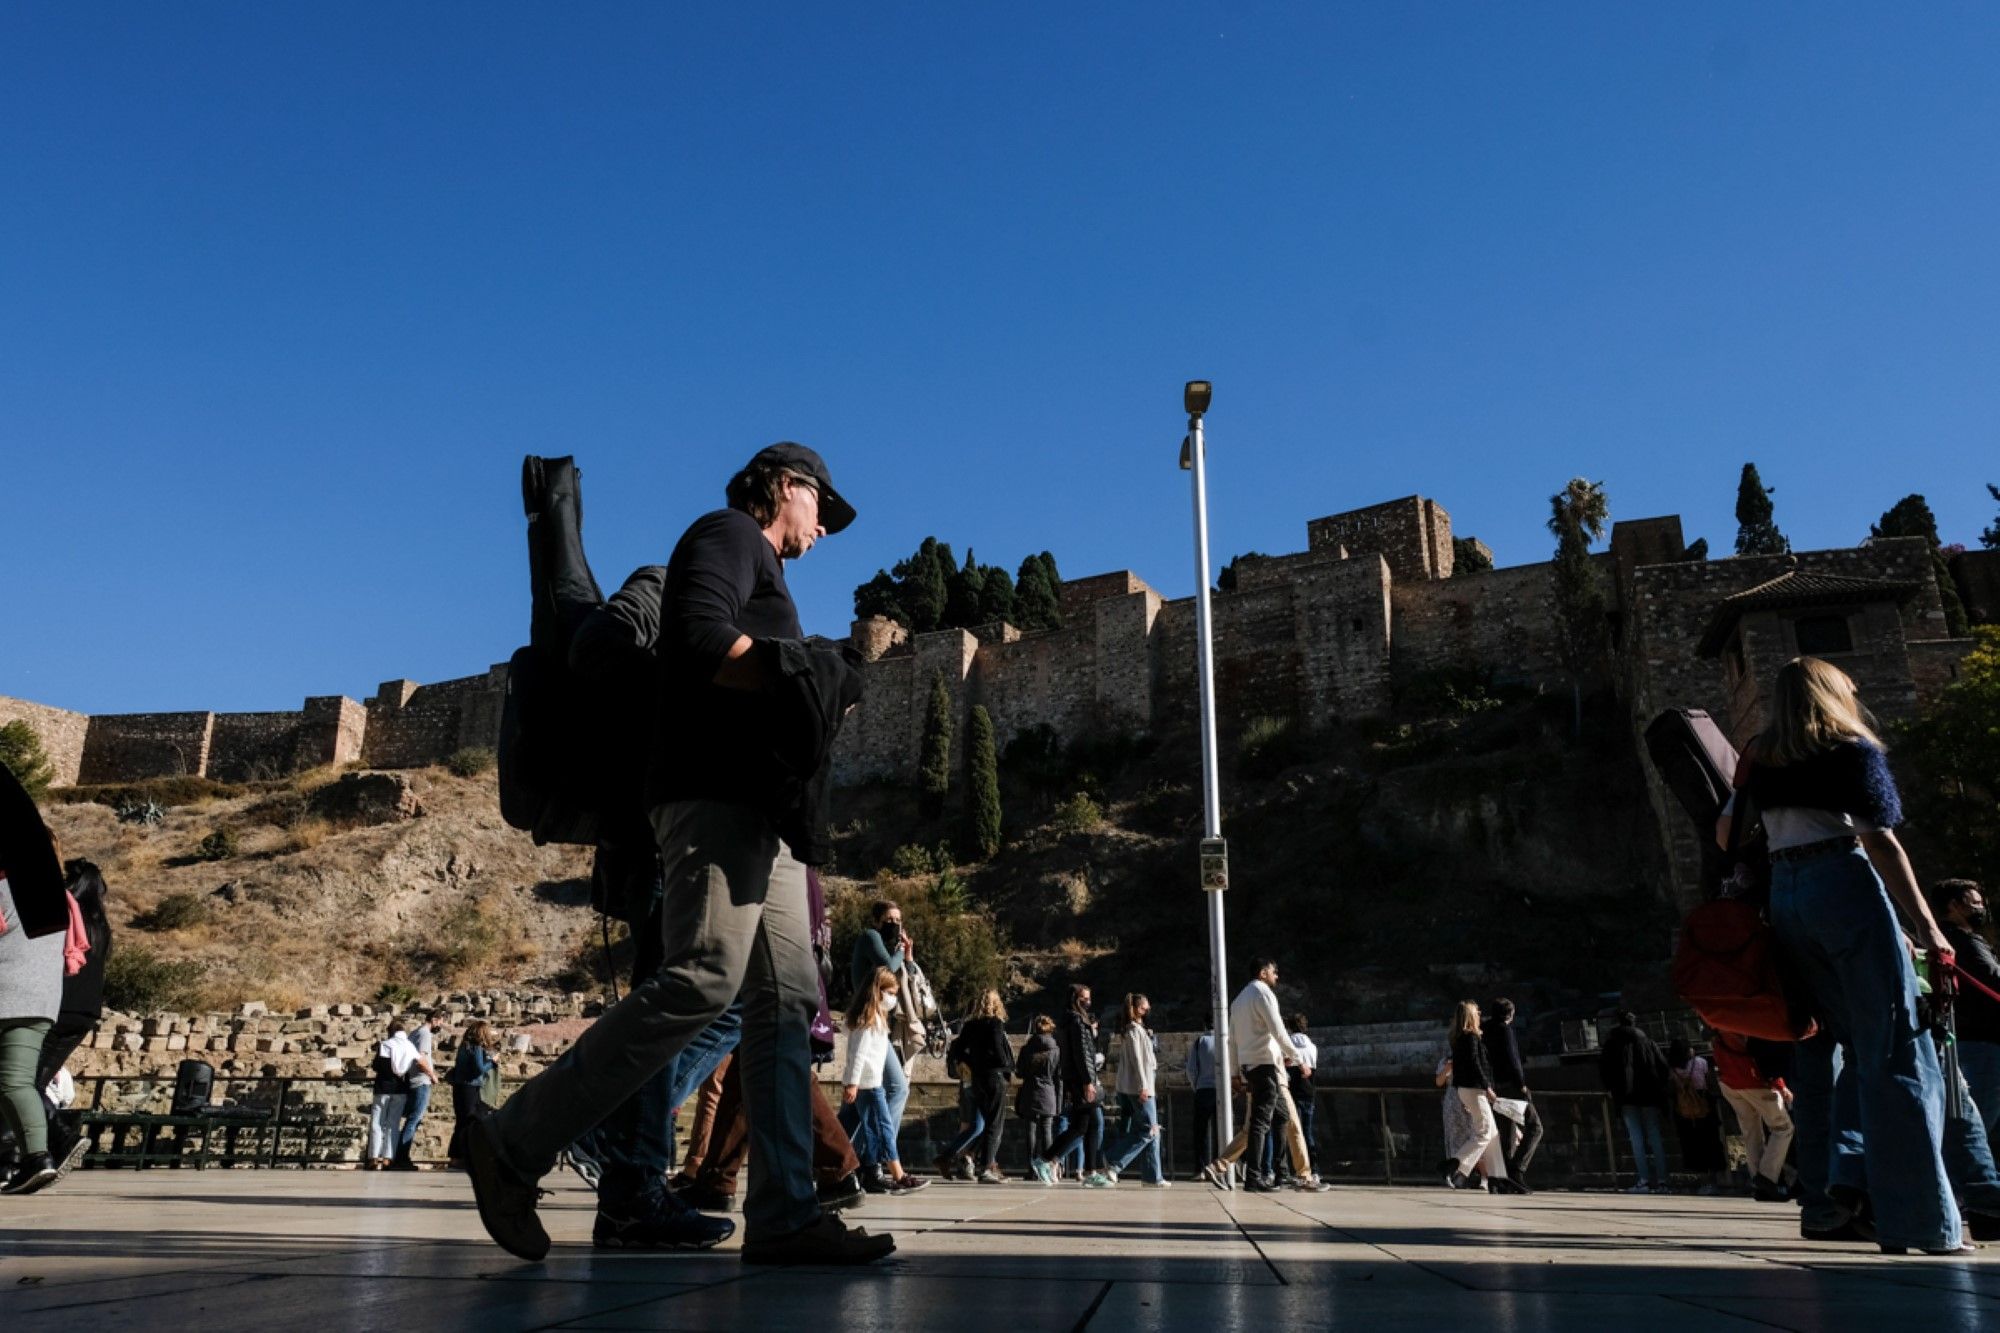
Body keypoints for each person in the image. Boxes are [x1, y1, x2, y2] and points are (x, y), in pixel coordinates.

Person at [465, 444, 892, 1265]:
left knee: (786, 1005)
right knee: (704, 977)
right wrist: (799, 666)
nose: (826, 529)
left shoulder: (768, 569)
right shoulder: (729, 534)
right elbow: (698, 641)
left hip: (766, 822)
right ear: (785, 488)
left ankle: (785, 1215)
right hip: (714, 795)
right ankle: (512, 1143)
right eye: (823, 509)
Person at [1723, 656, 1963, 1254]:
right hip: (1841, 879)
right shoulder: (1848, 747)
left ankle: (1843, 1190)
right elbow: (1879, 837)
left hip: (1785, 896)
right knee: (1899, 1054)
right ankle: (1923, 1224)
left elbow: (1726, 835)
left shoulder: (1762, 755)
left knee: (1844, 1048)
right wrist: (1929, 929)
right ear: (1833, 695)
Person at [1198, 960, 1327, 1193]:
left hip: (1251, 1068)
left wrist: (1236, 1072)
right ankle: (1267, 1176)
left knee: (1280, 1117)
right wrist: (1298, 1059)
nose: (1277, 976)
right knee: (1263, 1123)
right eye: (1274, 972)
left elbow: (1233, 1040)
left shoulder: (1238, 1001)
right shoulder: (1263, 994)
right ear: (1263, 972)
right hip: (1268, 1067)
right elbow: (1277, 1030)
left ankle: (1277, 1172)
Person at [0, 851, 67, 1195]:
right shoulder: (55, 894)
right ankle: (36, 1160)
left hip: (5, 992)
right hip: (40, 1001)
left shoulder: (2, 885)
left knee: (12, 1085)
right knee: (17, 1083)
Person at [841, 967, 926, 1194]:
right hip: (868, 1085)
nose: (893, 998)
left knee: (844, 1128)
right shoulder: (869, 1020)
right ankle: (898, 1175)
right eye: (891, 992)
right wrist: (853, 1083)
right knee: (883, 1128)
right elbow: (857, 1054)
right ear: (877, 992)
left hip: (868, 1083)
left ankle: (842, 1169)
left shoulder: (872, 1018)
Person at [849, 900, 917, 1165]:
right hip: (868, 1023)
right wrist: (899, 951)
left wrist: (908, 958)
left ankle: (845, 1159)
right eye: (889, 919)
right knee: (898, 1088)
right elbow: (888, 965)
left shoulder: (889, 948)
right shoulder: (870, 937)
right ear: (877, 921)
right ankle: (874, 1158)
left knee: (854, 1107)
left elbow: (903, 977)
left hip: (878, 1024)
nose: (894, 924)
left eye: (898, 920)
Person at [1938, 879, 2000, 1150]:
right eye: (1974, 902)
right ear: (1954, 906)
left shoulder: (1944, 940)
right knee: (1978, 1121)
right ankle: (1970, 1183)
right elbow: (1992, 978)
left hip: (1964, 1039)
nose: (1981, 907)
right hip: (1982, 1043)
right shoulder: (1965, 941)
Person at [1029, 985, 1107, 1184]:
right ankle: (1046, 1159)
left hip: (1076, 1077)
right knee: (1083, 1125)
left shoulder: (1070, 1020)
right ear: (1075, 998)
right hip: (1081, 1079)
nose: (1088, 1002)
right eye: (1084, 998)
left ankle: (1088, 1171)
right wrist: (1088, 1081)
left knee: (1088, 1124)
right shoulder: (1077, 1021)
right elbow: (1082, 1054)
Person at [1091, 993, 1168, 1187]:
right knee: (1148, 1131)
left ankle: (1152, 1175)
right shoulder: (1133, 1030)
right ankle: (1114, 1161)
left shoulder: (1139, 1030)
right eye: (1143, 1008)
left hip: (1143, 1084)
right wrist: (1144, 1085)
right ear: (1135, 1010)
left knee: (1153, 1131)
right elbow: (1137, 1060)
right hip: (1140, 1087)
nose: (1147, 1011)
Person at [939, 990, 1015, 1183]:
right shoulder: (995, 1024)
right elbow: (999, 1053)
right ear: (997, 1004)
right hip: (993, 1077)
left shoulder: (970, 1025)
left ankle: (949, 1155)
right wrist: (1008, 1065)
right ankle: (987, 1167)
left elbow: (957, 1048)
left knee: (980, 1125)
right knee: (994, 1124)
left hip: (977, 1079)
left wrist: (973, 1062)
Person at [1712, 1029, 1793, 1201]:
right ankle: (1767, 1177)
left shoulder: (1720, 1019)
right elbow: (1762, 1052)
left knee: (1750, 1130)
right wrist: (1780, 1085)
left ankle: (1758, 1180)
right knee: (1783, 1128)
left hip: (1728, 1080)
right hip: (1752, 1078)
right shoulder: (1747, 1020)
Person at [1444, 1001, 1514, 1193]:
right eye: (1476, 1011)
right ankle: (1455, 1165)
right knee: (1484, 1132)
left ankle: (1497, 1177)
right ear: (1470, 1016)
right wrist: (1487, 1088)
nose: (1480, 1013)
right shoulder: (1471, 1037)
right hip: (1474, 1089)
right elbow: (1476, 1065)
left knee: (1492, 1133)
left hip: (1465, 1089)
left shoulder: (1459, 1038)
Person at [1598, 1010, 1671, 1194]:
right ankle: (1663, 1180)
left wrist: (1611, 1089)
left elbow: (1605, 1069)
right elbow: (1663, 1067)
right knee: (1654, 1135)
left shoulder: (1613, 1043)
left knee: (1636, 1137)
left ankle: (1644, 1179)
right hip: (1650, 1094)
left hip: (1627, 1096)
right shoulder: (1648, 1042)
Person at [1482, 997, 1542, 1191]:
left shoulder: (1485, 1030)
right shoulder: (1504, 1030)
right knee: (1535, 1127)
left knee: (1506, 1132)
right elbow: (1512, 1059)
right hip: (1511, 1086)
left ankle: (1501, 1177)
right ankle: (1516, 1169)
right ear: (1510, 1014)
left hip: (1495, 1087)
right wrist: (1522, 1085)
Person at [1667, 1037, 1726, 1195]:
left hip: (1684, 1111)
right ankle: (1714, 1180)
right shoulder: (1700, 1062)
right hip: (1704, 1105)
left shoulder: (1673, 1069)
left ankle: (1702, 1180)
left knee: (1692, 1145)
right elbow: (1711, 1082)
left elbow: (1672, 1089)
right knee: (1711, 1142)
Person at [392, 1011, 444, 1170]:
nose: (441, 1026)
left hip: (412, 1081)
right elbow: (420, 1059)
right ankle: (401, 1158)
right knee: (414, 1120)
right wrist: (432, 1075)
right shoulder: (424, 1034)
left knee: (411, 1119)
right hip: (421, 1081)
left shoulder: (414, 1032)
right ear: (434, 1020)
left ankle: (398, 1156)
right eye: (441, 1022)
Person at [446, 1021, 500, 1169]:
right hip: (470, 1088)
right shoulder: (475, 1048)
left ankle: (456, 1156)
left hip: (460, 1087)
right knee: (468, 1121)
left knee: (462, 1121)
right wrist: (493, 1062)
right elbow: (479, 1068)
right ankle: (461, 1156)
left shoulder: (464, 1046)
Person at [369, 1019, 417, 1170]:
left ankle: (373, 1157)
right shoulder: (410, 1046)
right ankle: (388, 1158)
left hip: (383, 1088)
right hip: (401, 1089)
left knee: (377, 1123)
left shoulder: (386, 1045)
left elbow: (377, 1065)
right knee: (393, 1125)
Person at [1016, 1015, 1062, 1166]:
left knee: (1030, 1130)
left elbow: (1019, 1073)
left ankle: (1031, 1166)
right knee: (1047, 1130)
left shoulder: (1026, 1049)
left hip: (1030, 1091)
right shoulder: (1056, 1050)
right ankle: (1046, 1165)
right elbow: (1058, 1078)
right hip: (1048, 1093)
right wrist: (1059, 1103)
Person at [1186, 1030, 1219, 1167]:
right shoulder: (1227, 1040)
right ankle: (1220, 1165)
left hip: (1203, 1089)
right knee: (1221, 1133)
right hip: (1222, 1090)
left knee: (1200, 1132)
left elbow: (1191, 1069)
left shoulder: (1200, 1041)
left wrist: (1196, 1085)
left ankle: (1201, 1167)